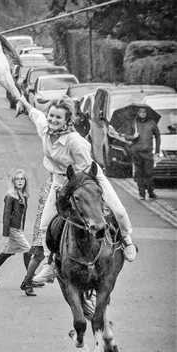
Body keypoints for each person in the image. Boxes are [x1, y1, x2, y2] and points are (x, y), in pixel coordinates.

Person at [17, 96, 137, 283]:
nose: (53, 120)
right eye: (51, 116)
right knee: (44, 225)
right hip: (60, 181)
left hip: (87, 178)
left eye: (58, 118)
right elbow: (34, 114)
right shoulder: (45, 128)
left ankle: (127, 239)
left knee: (119, 212)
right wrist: (22, 103)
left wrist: (86, 196)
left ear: (67, 121)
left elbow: (85, 171)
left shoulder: (75, 141)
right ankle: (51, 265)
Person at [0, 169, 31, 287]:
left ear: (25, 181)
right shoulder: (10, 195)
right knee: (28, 250)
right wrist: (6, 233)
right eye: (17, 179)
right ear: (13, 182)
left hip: (18, 228)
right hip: (13, 229)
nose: (20, 181)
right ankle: (30, 278)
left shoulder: (23, 195)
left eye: (22, 179)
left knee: (8, 251)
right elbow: (6, 214)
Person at [20, 175, 52, 295]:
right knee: (39, 255)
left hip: (50, 223)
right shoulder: (51, 184)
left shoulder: (57, 181)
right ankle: (27, 282)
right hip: (44, 224)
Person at [126, 107, 161, 200]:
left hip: (148, 153)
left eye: (144, 112)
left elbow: (158, 136)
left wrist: (157, 151)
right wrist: (133, 137)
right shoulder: (133, 123)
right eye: (140, 112)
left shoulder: (152, 123)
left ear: (147, 113)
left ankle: (151, 192)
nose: (142, 113)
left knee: (149, 173)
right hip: (136, 153)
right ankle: (141, 193)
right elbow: (126, 136)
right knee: (139, 174)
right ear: (137, 113)